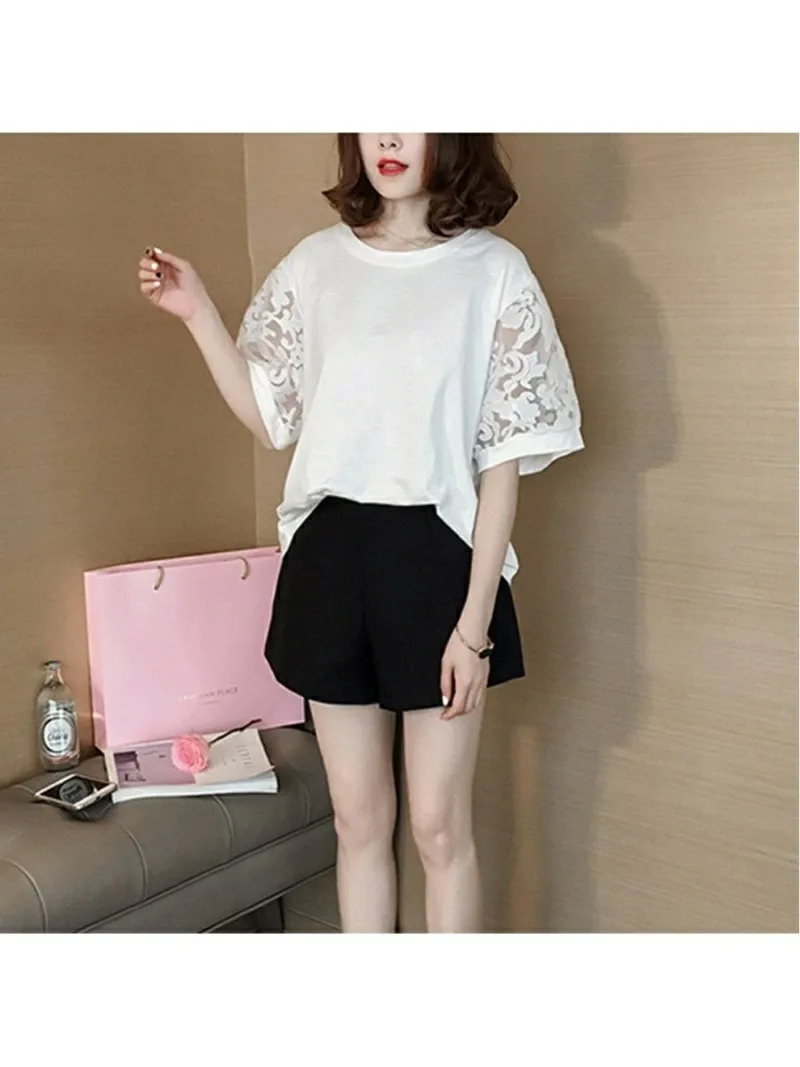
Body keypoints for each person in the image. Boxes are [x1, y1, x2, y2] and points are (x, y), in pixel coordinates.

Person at [138, 133, 583, 933]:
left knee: (440, 826)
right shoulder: (316, 265)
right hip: (331, 560)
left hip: (439, 563)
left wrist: (474, 628)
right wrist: (198, 310)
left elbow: (503, 464)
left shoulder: (494, 272)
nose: (388, 136)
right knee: (358, 820)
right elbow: (270, 417)